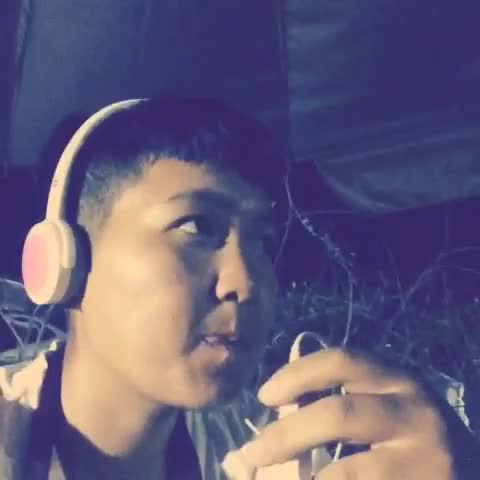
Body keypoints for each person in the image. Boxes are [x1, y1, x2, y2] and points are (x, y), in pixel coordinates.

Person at [0, 96, 478, 479]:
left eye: (262, 243)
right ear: (66, 263)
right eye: (196, 227)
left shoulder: (276, 450)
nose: (246, 282)